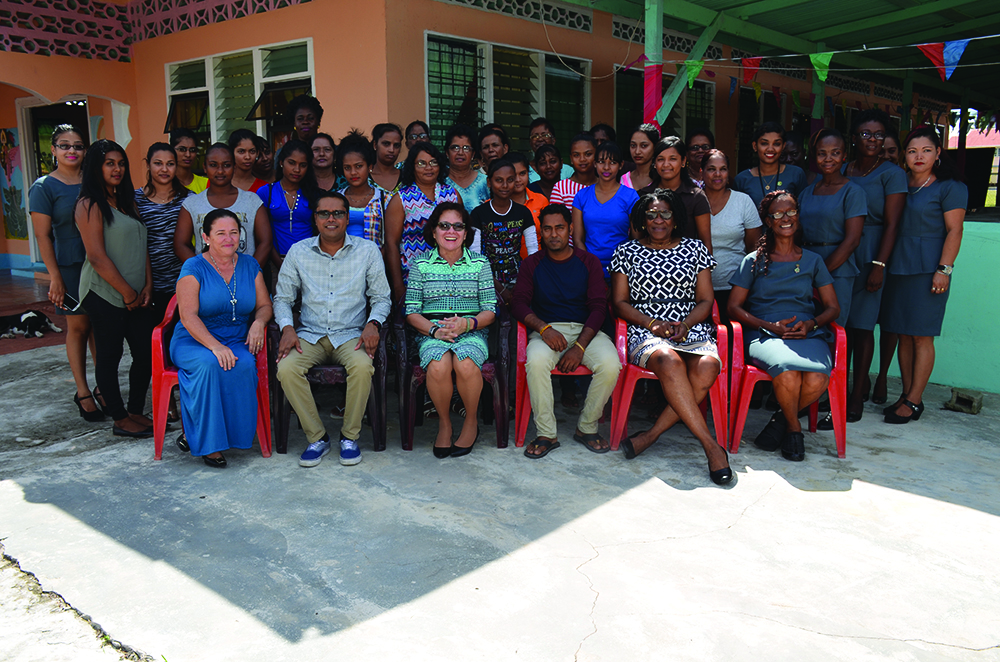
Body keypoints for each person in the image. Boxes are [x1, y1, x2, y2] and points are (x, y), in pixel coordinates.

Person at [610, 189, 731, 485]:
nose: (658, 220)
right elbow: (620, 303)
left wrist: (687, 323)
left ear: (675, 218)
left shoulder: (695, 249)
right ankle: (712, 447)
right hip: (645, 327)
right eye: (651, 214)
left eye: (665, 213)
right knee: (668, 359)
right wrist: (652, 323)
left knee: (707, 367)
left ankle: (650, 436)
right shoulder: (626, 251)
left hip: (690, 326)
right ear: (642, 219)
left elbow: (705, 299)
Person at [275, 191, 391, 467]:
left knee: (362, 367)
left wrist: (373, 324)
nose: (331, 219)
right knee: (287, 369)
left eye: (337, 213)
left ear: (347, 218)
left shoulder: (367, 250)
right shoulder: (298, 251)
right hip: (310, 335)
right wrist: (287, 328)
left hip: (352, 334)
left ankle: (349, 437)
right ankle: (317, 437)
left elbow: (382, 298)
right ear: (315, 218)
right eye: (323, 213)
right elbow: (282, 298)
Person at [727, 190, 841, 462]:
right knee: (788, 373)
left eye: (790, 212)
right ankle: (793, 430)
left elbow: (833, 307)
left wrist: (812, 323)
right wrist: (769, 325)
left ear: (798, 217)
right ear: (768, 221)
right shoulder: (753, 260)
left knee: (816, 377)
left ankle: (779, 422)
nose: (785, 218)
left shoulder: (813, 260)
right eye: (777, 214)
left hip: (807, 333)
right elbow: (733, 307)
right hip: (766, 335)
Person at [513, 205, 622, 458]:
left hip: (586, 332)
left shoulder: (589, 262)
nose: (553, 234)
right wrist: (544, 328)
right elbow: (518, 303)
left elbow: (598, 307)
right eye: (547, 229)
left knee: (610, 364)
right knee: (537, 361)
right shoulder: (532, 264)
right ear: (541, 232)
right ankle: (546, 433)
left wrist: (580, 346)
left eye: (559, 228)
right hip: (547, 330)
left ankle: (587, 427)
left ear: (570, 229)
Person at [170, 209, 272, 467]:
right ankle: (209, 445)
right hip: (195, 339)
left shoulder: (249, 264)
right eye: (221, 233)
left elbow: (264, 305)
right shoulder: (193, 266)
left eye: (234, 232)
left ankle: (208, 434)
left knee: (245, 364)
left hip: (236, 336)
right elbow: (188, 316)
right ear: (205, 237)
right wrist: (215, 347)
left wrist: (259, 322)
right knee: (209, 364)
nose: (229, 239)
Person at [880, 127, 967, 425]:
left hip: (930, 270)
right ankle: (906, 395)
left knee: (921, 336)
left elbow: (955, 230)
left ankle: (915, 400)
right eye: (913, 151)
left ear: (938, 153)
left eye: (926, 150)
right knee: (903, 333)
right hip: (898, 267)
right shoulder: (899, 182)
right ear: (904, 154)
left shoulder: (949, 186)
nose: (919, 156)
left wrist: (944, 270)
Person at [74, 139, 155, 438]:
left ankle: (135, 410)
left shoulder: (127, 201)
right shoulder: (88, 204)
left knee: (146, 353)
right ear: (96, 167)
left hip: (136, 294)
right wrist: (126, 292)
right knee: (109, 356)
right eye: (110, 163)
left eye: (121, 163)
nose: (117, 168)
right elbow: (96, 256)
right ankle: (120, 418)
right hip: (104, 293)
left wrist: (147, 285)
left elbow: (141, 243)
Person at [404, 202, 496, 458]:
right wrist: (435, 331)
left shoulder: (480, 263)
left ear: (466, 233)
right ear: (434, 231)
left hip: (472, 330)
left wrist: (468, 323)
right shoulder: (421, 264)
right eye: (444, 225)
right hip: (432, 331)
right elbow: (411, 311)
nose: (451, 231)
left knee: (465, 363)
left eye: (458, 226)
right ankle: (444, 424)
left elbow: (490, 309)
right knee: (438, 364)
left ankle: (470, 423)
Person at [29, 124, 103, 421]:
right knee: (79, 327)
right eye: (65, 145)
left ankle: (104, 389)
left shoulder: (94, 181)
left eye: (78, 145)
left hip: (100, 264)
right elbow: (43, 236)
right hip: (70, 268)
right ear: (54, 150)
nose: (72, 151)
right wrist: (55, 277)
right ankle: (83, 392)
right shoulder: (44, 187)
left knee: (101, 327)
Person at [842, 110, 907, 421]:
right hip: (844, 250)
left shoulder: (892, 173)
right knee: (843, 325)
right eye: (866, 133)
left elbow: (893, 224)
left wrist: (879, 264)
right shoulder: (843, 169)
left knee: (864, 326)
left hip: (872, 250)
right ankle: (840, 387)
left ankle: (857, 395)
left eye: (879, 134)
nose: (873, 139)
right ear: (854, 138)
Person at [797, 128, 865, 330]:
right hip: (806, 268)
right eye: (821, 153)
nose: (828, 158)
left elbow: (852, 240)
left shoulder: (853, 192)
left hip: (838, 269)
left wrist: (821, 272)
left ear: (844, 156)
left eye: (835, 152)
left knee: (834, 329)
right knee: (805, 325)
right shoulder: (806, 192)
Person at [384, 141, 462, 300]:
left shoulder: (452, 195)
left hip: (452, 277)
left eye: (433, 162)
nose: (428, 167)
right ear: (412, 167)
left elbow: (463, 235)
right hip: (414, 280)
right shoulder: (401, 199)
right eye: (421, 163)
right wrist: (398, 287)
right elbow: (391, 244)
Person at [174, 142, 272, 268]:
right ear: (205, 167)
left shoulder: (252, 201)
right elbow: (180, 245)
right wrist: (204, 272)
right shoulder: (192, 204)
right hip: (207, 283)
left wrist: (249, 273)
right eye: (213, 165)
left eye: (226, 165)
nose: (220, 171)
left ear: (234, 167)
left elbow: (266, 242)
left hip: (244, 281)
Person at [701, 149, 762, 320]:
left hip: (736, 288)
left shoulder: (743, 201)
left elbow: (754, 249)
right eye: (711, 169)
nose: (718, 174)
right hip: (698, 289)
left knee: (732, 339)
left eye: (723, 169)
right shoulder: (694, 201)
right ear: (702, 172)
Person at [470, 158, 537, 305]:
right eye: (499, 180)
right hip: (485, 282)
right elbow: (475, 259)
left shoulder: (523, 212)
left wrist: (520, 286)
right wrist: (501, 290)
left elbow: (533, 254)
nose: (505, 185)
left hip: (519, 280)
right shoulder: (479, 213)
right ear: (489, 182)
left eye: (510, 180)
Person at [134, 143, 189, 320]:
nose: (164, 169)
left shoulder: (190, 199)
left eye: (170, 164)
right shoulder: (134, 200)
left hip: (183, 283)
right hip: (146, 286)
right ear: (148, 164)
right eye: (158, 163)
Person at [572, 141, 639, 279]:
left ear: (621, 165)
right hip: (588, 268)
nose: (606, 167)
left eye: (613, 162)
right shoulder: (581, 196)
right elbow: (578, 239)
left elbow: (637, 240)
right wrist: (590, 268)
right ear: (595, 164)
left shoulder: (631, 196)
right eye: (602, 162)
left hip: (623, 269)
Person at [872, 129, 904, 404]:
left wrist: (880, 263)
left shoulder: (898, 178)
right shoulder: (856, 171)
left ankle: (882, 375)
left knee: (890, 321)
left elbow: (893, 223)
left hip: (890, 256)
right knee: (863, 322)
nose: (885, 155)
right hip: (863, 252)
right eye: (882, 151)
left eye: (891, 151)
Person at [638, 136, 713, 250]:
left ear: (683, 161)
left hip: (687, 263)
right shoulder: (643, 195)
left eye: (672, 159)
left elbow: (705, 243)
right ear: (654, 163)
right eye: (660, 159)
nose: (666, 164)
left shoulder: (696, 197)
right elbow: (637, 239)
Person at [256, 139, 318, 275]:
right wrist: (280, 264)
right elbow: (263, 235)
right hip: (276, 261)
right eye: (291, 163)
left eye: (303, 165)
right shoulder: (266, 192)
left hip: (310, 261)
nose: (297, 169)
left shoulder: (314, 194)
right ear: (281, 162)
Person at [734, 122, 809, 210]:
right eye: (764, 143)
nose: (770, 149)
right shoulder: (742, 179)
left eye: (776, 144)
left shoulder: (796, 174)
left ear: (783, 146)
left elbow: (804, 210)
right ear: (755, 146)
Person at [338, 129, 386, 246]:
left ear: (369, 166)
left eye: (359, 166)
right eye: (347, 168)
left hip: (374, 261)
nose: (353, 172)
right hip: (342, 261)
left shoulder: (384, 199)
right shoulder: (337, 199)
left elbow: (389, 240)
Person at [507, 151, 548, 258]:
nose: (518, 180)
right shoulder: (494, 205)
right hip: (504, 269)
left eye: (522, 173)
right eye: (513, 175)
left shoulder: (540, 200)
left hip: (537, 263)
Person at [444, 124, 488, 212]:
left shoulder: (486, 182)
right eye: (455, 148)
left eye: (466, 148)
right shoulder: (440, 182)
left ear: (473, 154)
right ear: (447, 153)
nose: (460, 152)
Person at [550, 133, 597, 210]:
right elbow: (555, 220)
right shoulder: (561, 188)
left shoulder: (605, 186)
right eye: (576, 155)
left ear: (596, 156)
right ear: (571, 159)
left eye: (588, 154)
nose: (582, 159)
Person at [170, 128, 208, 194]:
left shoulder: (207, 184)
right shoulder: (165, 184)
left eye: (192, 150)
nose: (188, 155)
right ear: (171, 150)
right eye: (182, 149)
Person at [622, 123, 659, 190]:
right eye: (633, 145)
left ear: (655, 147)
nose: (637, 152)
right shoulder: (624, 179)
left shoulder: (661, 179)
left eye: (644, 146)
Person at [370, 123, 403, 196]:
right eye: (386, 144)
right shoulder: (364, 179)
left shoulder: (407, 178)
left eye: (396, 145)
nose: (391, 150)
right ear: (375, 145)